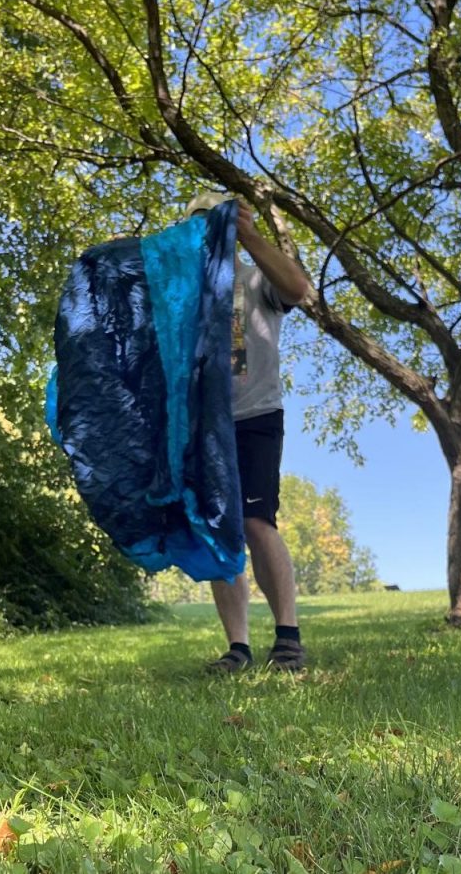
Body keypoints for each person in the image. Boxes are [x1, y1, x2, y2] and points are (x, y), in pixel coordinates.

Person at [185, 192, 311, 672]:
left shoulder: (257, 278)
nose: (209, 236)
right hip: (204, 427)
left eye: (216, 224)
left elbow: (298, 289)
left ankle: (288, 637)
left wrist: (252, 233)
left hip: (257, 416)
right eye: (200, 226)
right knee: (222, 534)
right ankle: (237, 647)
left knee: (258, 522)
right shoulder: (184, 297)